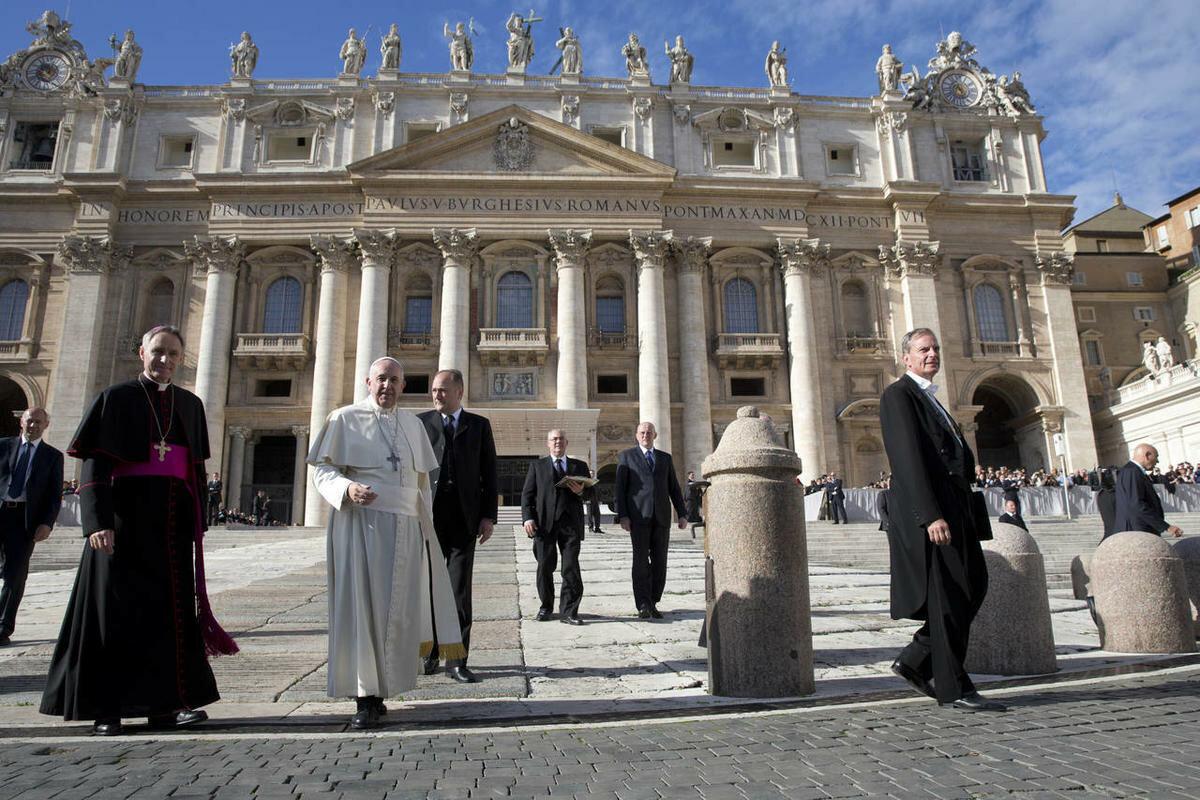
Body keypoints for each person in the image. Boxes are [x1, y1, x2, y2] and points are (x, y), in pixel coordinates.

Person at [41, 325, 236, 736]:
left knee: (169, 616)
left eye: (173, 355)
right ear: (141, 353)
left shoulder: (190, 404)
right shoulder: (116, 398)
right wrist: (97, 523)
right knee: (113, 614)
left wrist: (198, 522)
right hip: (123, 523)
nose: (165, 361)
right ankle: (106, 708)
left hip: (170, 527)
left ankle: (166, 705)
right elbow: (95, 465)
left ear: (181, 360)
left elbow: (195, 470)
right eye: (158, 352)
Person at [308, 357, 463, 729]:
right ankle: (364, 696)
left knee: (397, 611)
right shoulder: (344, 419)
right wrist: (346, 487)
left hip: (404, 532)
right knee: (363, 610)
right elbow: (322, 469)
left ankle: (384, 689)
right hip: (360, 526)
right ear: (367, 381)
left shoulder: (412, 424)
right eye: (381, 379)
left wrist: (427, 529)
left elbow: (422, 483)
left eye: (395, 380)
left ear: (403, 385)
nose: (387, 386)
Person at [880, 328, 1003, 712]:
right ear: (907, 358)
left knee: (973, 586)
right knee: (951, 596)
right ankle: (954, 686)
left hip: (958, 509)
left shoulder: (932, 399)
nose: (932, 354)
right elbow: (907, 460)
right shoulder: (898, 395)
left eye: (935, 348)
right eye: (923, 349)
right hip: (935, 514)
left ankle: (917, 660)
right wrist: (929, 515)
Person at [418, 369, 497, 683]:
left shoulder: (478, 426)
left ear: (459, 392)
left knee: (458, 591)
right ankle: (429, 653)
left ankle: (456, 660)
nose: (437, 395)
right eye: (434, 390)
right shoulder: (420, 423)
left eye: (443, 390)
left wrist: (488, 516)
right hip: (428, 517)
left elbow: (489, 474)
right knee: (427, 588)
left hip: (464, 518)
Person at [0, 408, 63, 645]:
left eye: (38, 422)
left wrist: (47, 523)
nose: (33, 425)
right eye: (29, 421)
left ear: (46, 425)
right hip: (1, 510)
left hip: (24, 520)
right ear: (21, 422)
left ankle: (3, 626)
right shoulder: (3, 446)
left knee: (15, 575)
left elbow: (54, 495)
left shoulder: (53, 456)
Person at [614, 422, 687, 619]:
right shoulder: (626, 457)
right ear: (637, 436)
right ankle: (643, 604)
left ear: (655, 435)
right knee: (640, 562)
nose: (646, 435)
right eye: (642, 432)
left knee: (660, 562)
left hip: (661, 517)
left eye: (649, 432)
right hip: (638, 517)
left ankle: (654, 600)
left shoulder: (665, 458)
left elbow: (674, 488)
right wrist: (623, 515)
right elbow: (620, 490)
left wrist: (682, 513)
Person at [521, 430, 589, 625]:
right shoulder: (537, 466)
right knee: (544, 567)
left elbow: (592, 495)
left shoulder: (579, 466)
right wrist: (527, 519)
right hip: (544, 525)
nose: (557, 442)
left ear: (567, 443)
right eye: (554, 439)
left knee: (570, 568)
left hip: (571, 526)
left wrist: (581, 491)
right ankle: (546, 607)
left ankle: (569, 611)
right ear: (548, 444)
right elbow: (527, 495)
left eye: (561, 439)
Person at [1112, 443, 1184, 539]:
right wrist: (1166, 527)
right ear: (1147, 455)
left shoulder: (1133, 471)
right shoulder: (1132, 472)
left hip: (1139, 529)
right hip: (1136, 531)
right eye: (1156, 457)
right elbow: (1136, 504)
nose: (1157, 461)